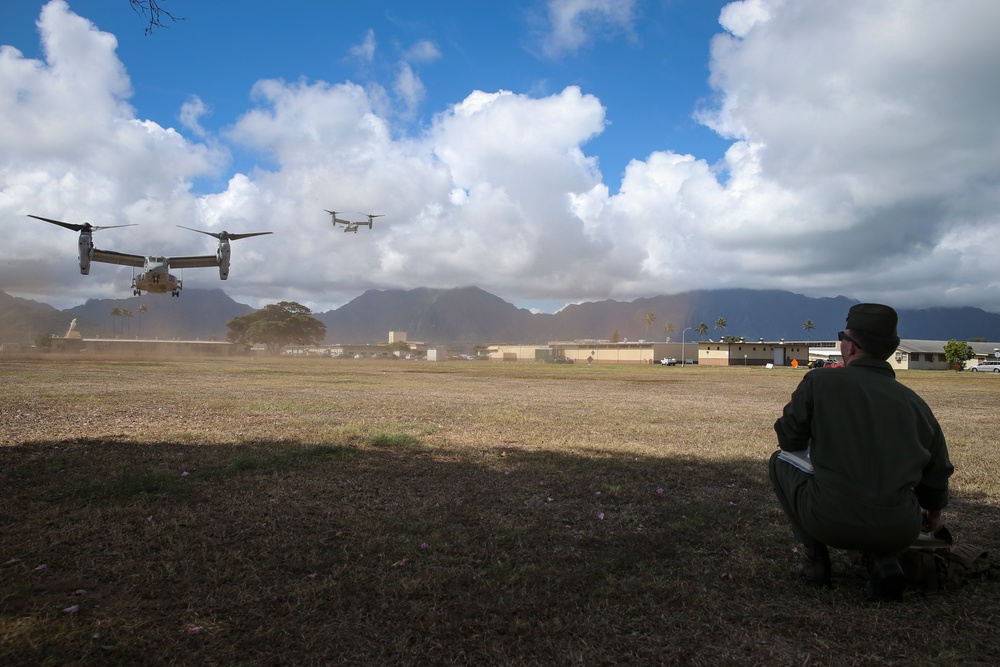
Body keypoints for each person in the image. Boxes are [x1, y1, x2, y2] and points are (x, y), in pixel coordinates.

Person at [768, 303, 954, 600]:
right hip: (900, 528)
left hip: (829, 522)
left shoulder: (820, 381)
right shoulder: (915, 403)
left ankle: (816, 562)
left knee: (778, 461)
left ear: (850, 347)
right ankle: (884, 560)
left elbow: (788, 439)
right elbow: (937, 470)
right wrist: (934, 512)